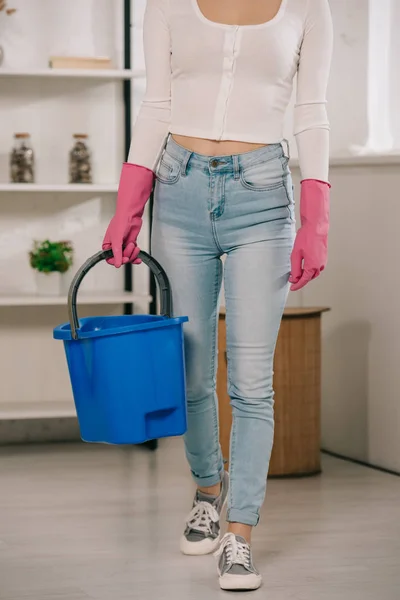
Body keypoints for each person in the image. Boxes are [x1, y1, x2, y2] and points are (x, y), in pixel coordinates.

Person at [103, 0, 333, 591]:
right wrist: (130, 204)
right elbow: (156, 103)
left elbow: (311, 110)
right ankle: (208, 490)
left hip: (263, 196)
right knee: (190, 371)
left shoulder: (309, 8)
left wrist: (316, 219)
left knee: (252, 380)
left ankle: (241, 533)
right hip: (177, 191)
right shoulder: (168, 5)